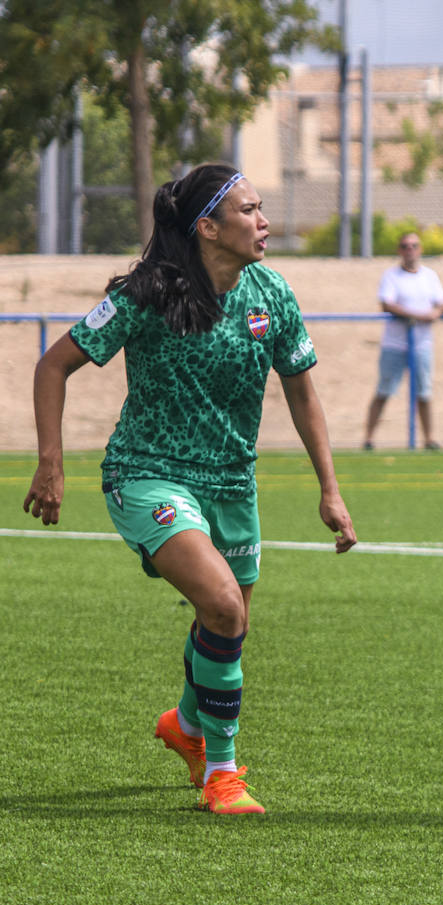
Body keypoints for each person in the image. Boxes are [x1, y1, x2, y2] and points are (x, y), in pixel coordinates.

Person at [23, 162, 358, 815]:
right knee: (225, 608)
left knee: (225, 620)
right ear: (208, 226)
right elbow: (53, 365)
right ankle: (222, 774)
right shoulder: (147, 293)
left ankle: (184, 724)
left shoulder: (272, 294)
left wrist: (331, 489)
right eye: (250, 211)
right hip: (148, 473)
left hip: (232, 482)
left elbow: (301, 391)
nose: (264, 222)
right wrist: (50, 464)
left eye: (263, 209)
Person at [362, 231, 443, 450]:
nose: (409, 249)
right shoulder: (391, 276)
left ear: (420, 249)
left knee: (424, 392)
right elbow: (387, 304)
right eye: (405, 246)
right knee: (384, 390)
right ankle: (369, 438)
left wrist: (436, 314)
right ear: (399, 250)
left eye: (414, 245)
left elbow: (442, 303)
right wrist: (419, 316)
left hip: (422, 344)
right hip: (395, 344)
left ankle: (429, 439)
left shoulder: (430, 276)